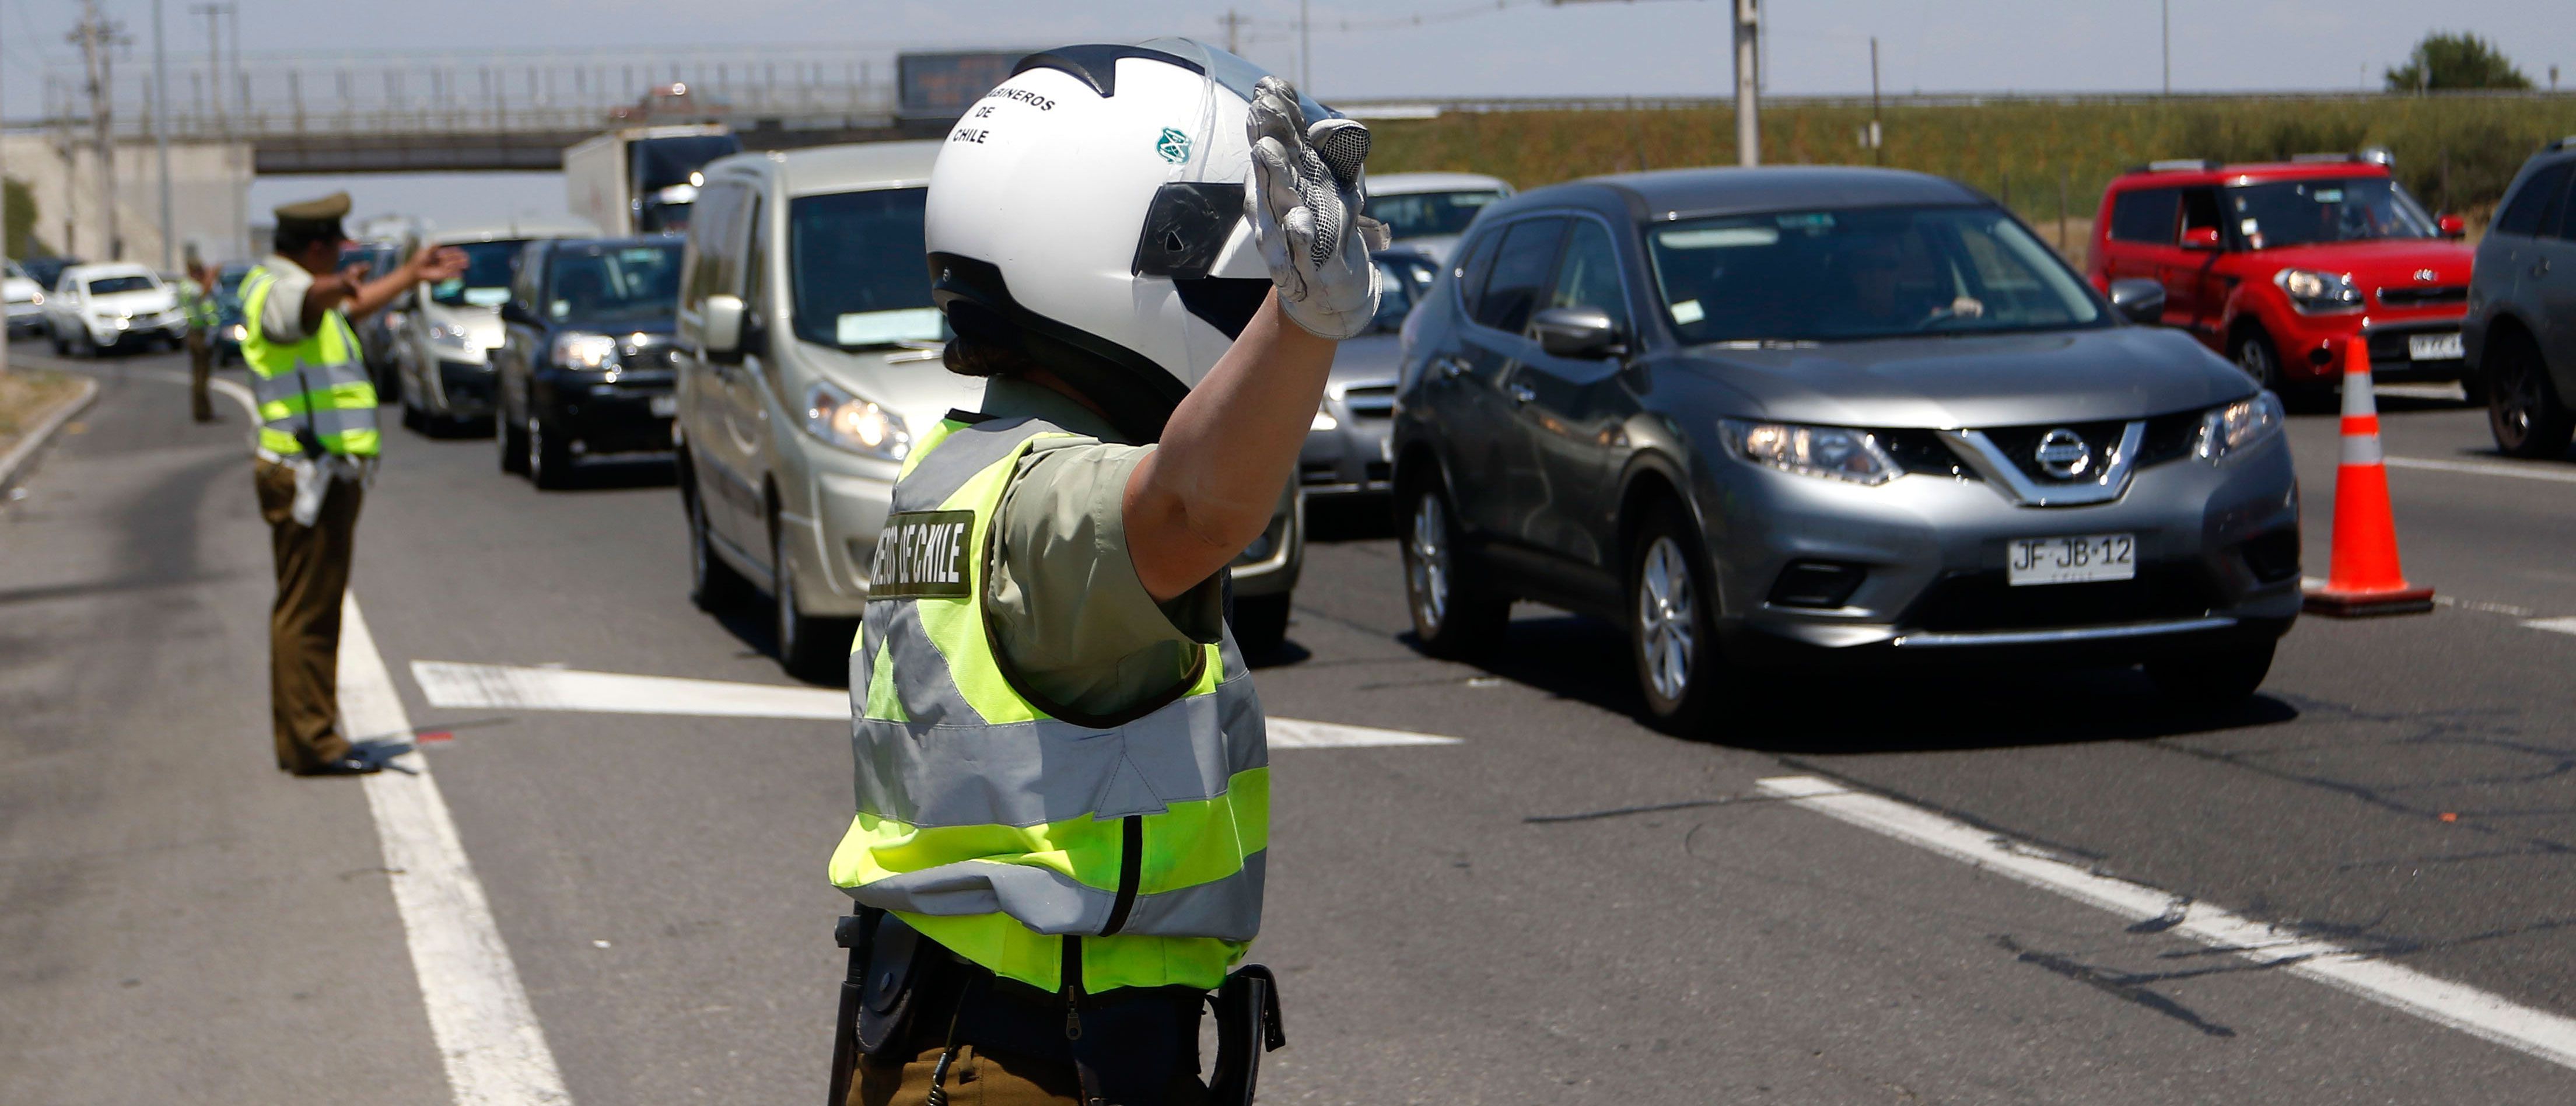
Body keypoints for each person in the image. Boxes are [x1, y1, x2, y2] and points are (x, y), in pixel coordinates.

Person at [824, 41, 1381, 1106]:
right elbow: (1186, 510)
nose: (1247, 295)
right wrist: (1306, 318)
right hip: (1028, 1063)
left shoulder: (961, 473)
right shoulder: (1045, 503)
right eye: (1236, 270)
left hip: (949, 1035)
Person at [243, 192, 466, 776]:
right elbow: (309, 302)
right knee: (307, 614)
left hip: (317, 474)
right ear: (316, 247)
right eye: (337, 245)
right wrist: (334, 286)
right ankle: (315, 742)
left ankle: (306, 737)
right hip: (307, 475)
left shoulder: (300, 289)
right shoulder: (278, 289)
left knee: (309, 609)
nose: (343, 253)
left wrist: (409, 275)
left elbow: (345, 304)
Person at [181, 251, 220, 423]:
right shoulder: (189, 287)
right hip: (198, 332)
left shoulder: (189, 285)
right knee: (201, 375)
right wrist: (211, 276)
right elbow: (202, 292)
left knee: (202, 374)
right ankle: (202, 412)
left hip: (200, 331)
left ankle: (204, 410)